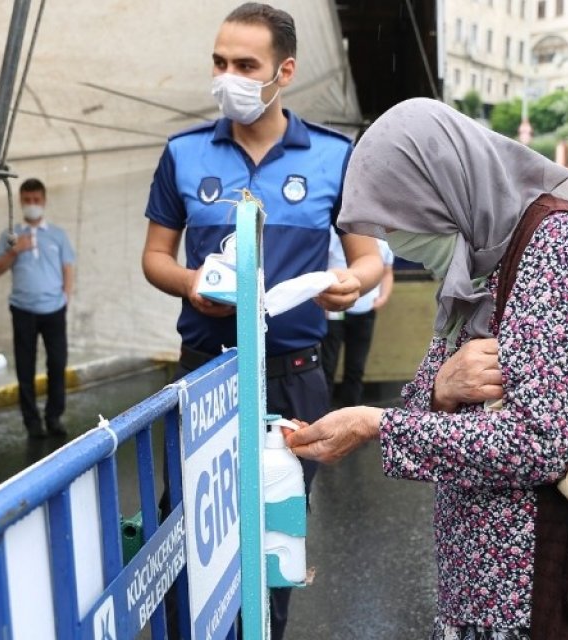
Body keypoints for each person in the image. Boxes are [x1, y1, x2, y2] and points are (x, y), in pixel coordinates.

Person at [287, 98, 568, 640]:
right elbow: (431, 390)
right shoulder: (478, 265)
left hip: (552, 586)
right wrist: (443, 389)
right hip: (483, 588)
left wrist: (376, 425)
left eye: (402, 222)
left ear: (444, 187)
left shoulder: (558, 247)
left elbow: (537, 443)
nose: (399, 243)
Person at [140, 4, 383, 638]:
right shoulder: (184, 154)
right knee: (192, 533)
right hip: (205, 377)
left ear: (285, 71)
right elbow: (155, 257)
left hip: (292, 378)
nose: (229, 78)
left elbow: (368, 260)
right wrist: (190, 281)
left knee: (274, 533)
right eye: (220, 63)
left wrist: (351, 283)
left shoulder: (334, 156)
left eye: (246, 65)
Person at [0, 178, 76, 439]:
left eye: (36, 200)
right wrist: (15, 251)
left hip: (54, 308)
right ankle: (32, 422)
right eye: (27, 201)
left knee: (57, 362)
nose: (32, 205)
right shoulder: (10, 236)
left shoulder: (58, 234)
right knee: (25, 367)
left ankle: (54, 416)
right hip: (23, 309)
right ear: (20, 202)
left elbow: (68, 266)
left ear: (44, 201)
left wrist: (66, 296)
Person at [319, 228, 394, 407]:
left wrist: (383, 297)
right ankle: (322, 412)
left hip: (364, 310)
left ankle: (350, 412)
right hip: (334, 310)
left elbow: (387, 271)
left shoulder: (382, 240)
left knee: (355, 367)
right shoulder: (333, 234)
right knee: (328, 365)